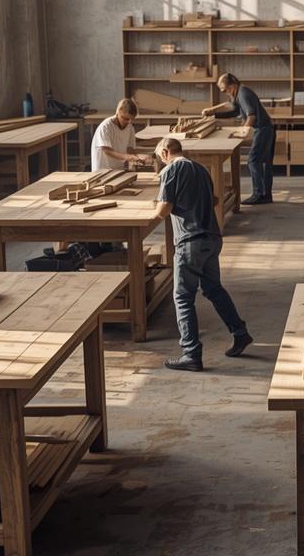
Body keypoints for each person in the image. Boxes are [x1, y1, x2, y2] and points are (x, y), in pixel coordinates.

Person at [149, 136, 253, 371]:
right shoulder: (200, 169)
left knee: (183, 297)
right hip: (211, 238)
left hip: (191, 241)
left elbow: (163, 211)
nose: (162, 164)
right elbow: (214, 199)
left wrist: (153, 207)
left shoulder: (172, 170)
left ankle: (191, 353)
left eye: (160, 159)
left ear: (166, 152)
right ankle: (240, 332)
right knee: (214, 289)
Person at [202, 73, 275, 205]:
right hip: (265, 129)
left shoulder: (243, 93)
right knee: (264, 163)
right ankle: (266, 195)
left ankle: (258, 194)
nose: (226, 93)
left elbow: (251, 116)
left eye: (225, 90)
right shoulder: (237, 94)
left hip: (264, 129)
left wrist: (243, 131)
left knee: (253, 161)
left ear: (232, 85)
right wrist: (214, 114)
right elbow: (235, 112)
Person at [91, 98, 146, 172]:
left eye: (131, 119)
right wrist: (127, 157)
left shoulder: (130, 127)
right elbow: (107, 150)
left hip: (119, 170)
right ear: (118, 112)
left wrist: (138, 157)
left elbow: (130, 149)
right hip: (102, 170)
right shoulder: (105, 127)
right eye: (126, 118)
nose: (129, 122)